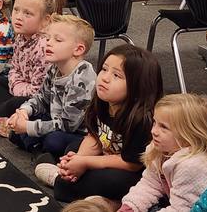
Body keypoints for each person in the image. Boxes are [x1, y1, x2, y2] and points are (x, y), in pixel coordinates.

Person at [37, 44, 163, 203]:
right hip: (105, 154)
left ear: (138, 86)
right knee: (70, 147)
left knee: (112, 181)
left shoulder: (143, 119)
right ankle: (73, 180)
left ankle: (61, 180)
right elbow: (94, 136)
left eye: (116, 75)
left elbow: (132, 164)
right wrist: (78, 159)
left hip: (131, 171)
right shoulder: (104, 100)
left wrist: (85, 163)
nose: (105, 77)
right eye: (104, 69)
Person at [1, 14, 97, 160]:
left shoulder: (82, 78)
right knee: (16, 129)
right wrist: (24, 112)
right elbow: (41, 99)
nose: (48, 43)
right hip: (54, 119)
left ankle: (38, 149)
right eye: (47, 38)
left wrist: (28, 127)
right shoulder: (54, 68)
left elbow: (68, 125)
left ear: (78, 49)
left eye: (57, 40)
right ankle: (39, 150)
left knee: (54, 141)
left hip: (77, 132)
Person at [117, 93, 207, 212]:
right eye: (155, 122)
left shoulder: (193, 166)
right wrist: (131, 206)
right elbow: (151, 183)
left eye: (164, 127)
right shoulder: (160, 150)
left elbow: (182, 209)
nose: (154, 131)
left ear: (189, 133)